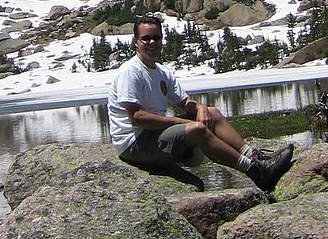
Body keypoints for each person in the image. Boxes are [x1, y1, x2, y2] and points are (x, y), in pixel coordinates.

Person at [107, 14, 294, 192]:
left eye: (156, 38)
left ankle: (253, 155)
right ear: (136, 41)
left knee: (211, 113)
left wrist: (201, 108)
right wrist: (185, 123)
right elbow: (137, 118)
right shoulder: (130, 72)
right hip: (134, 144)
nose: (152, 43)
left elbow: (185, 102)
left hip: (155, 136)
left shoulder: (162, 72)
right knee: (196, 129)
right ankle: (255, 171)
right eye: (146, 38)